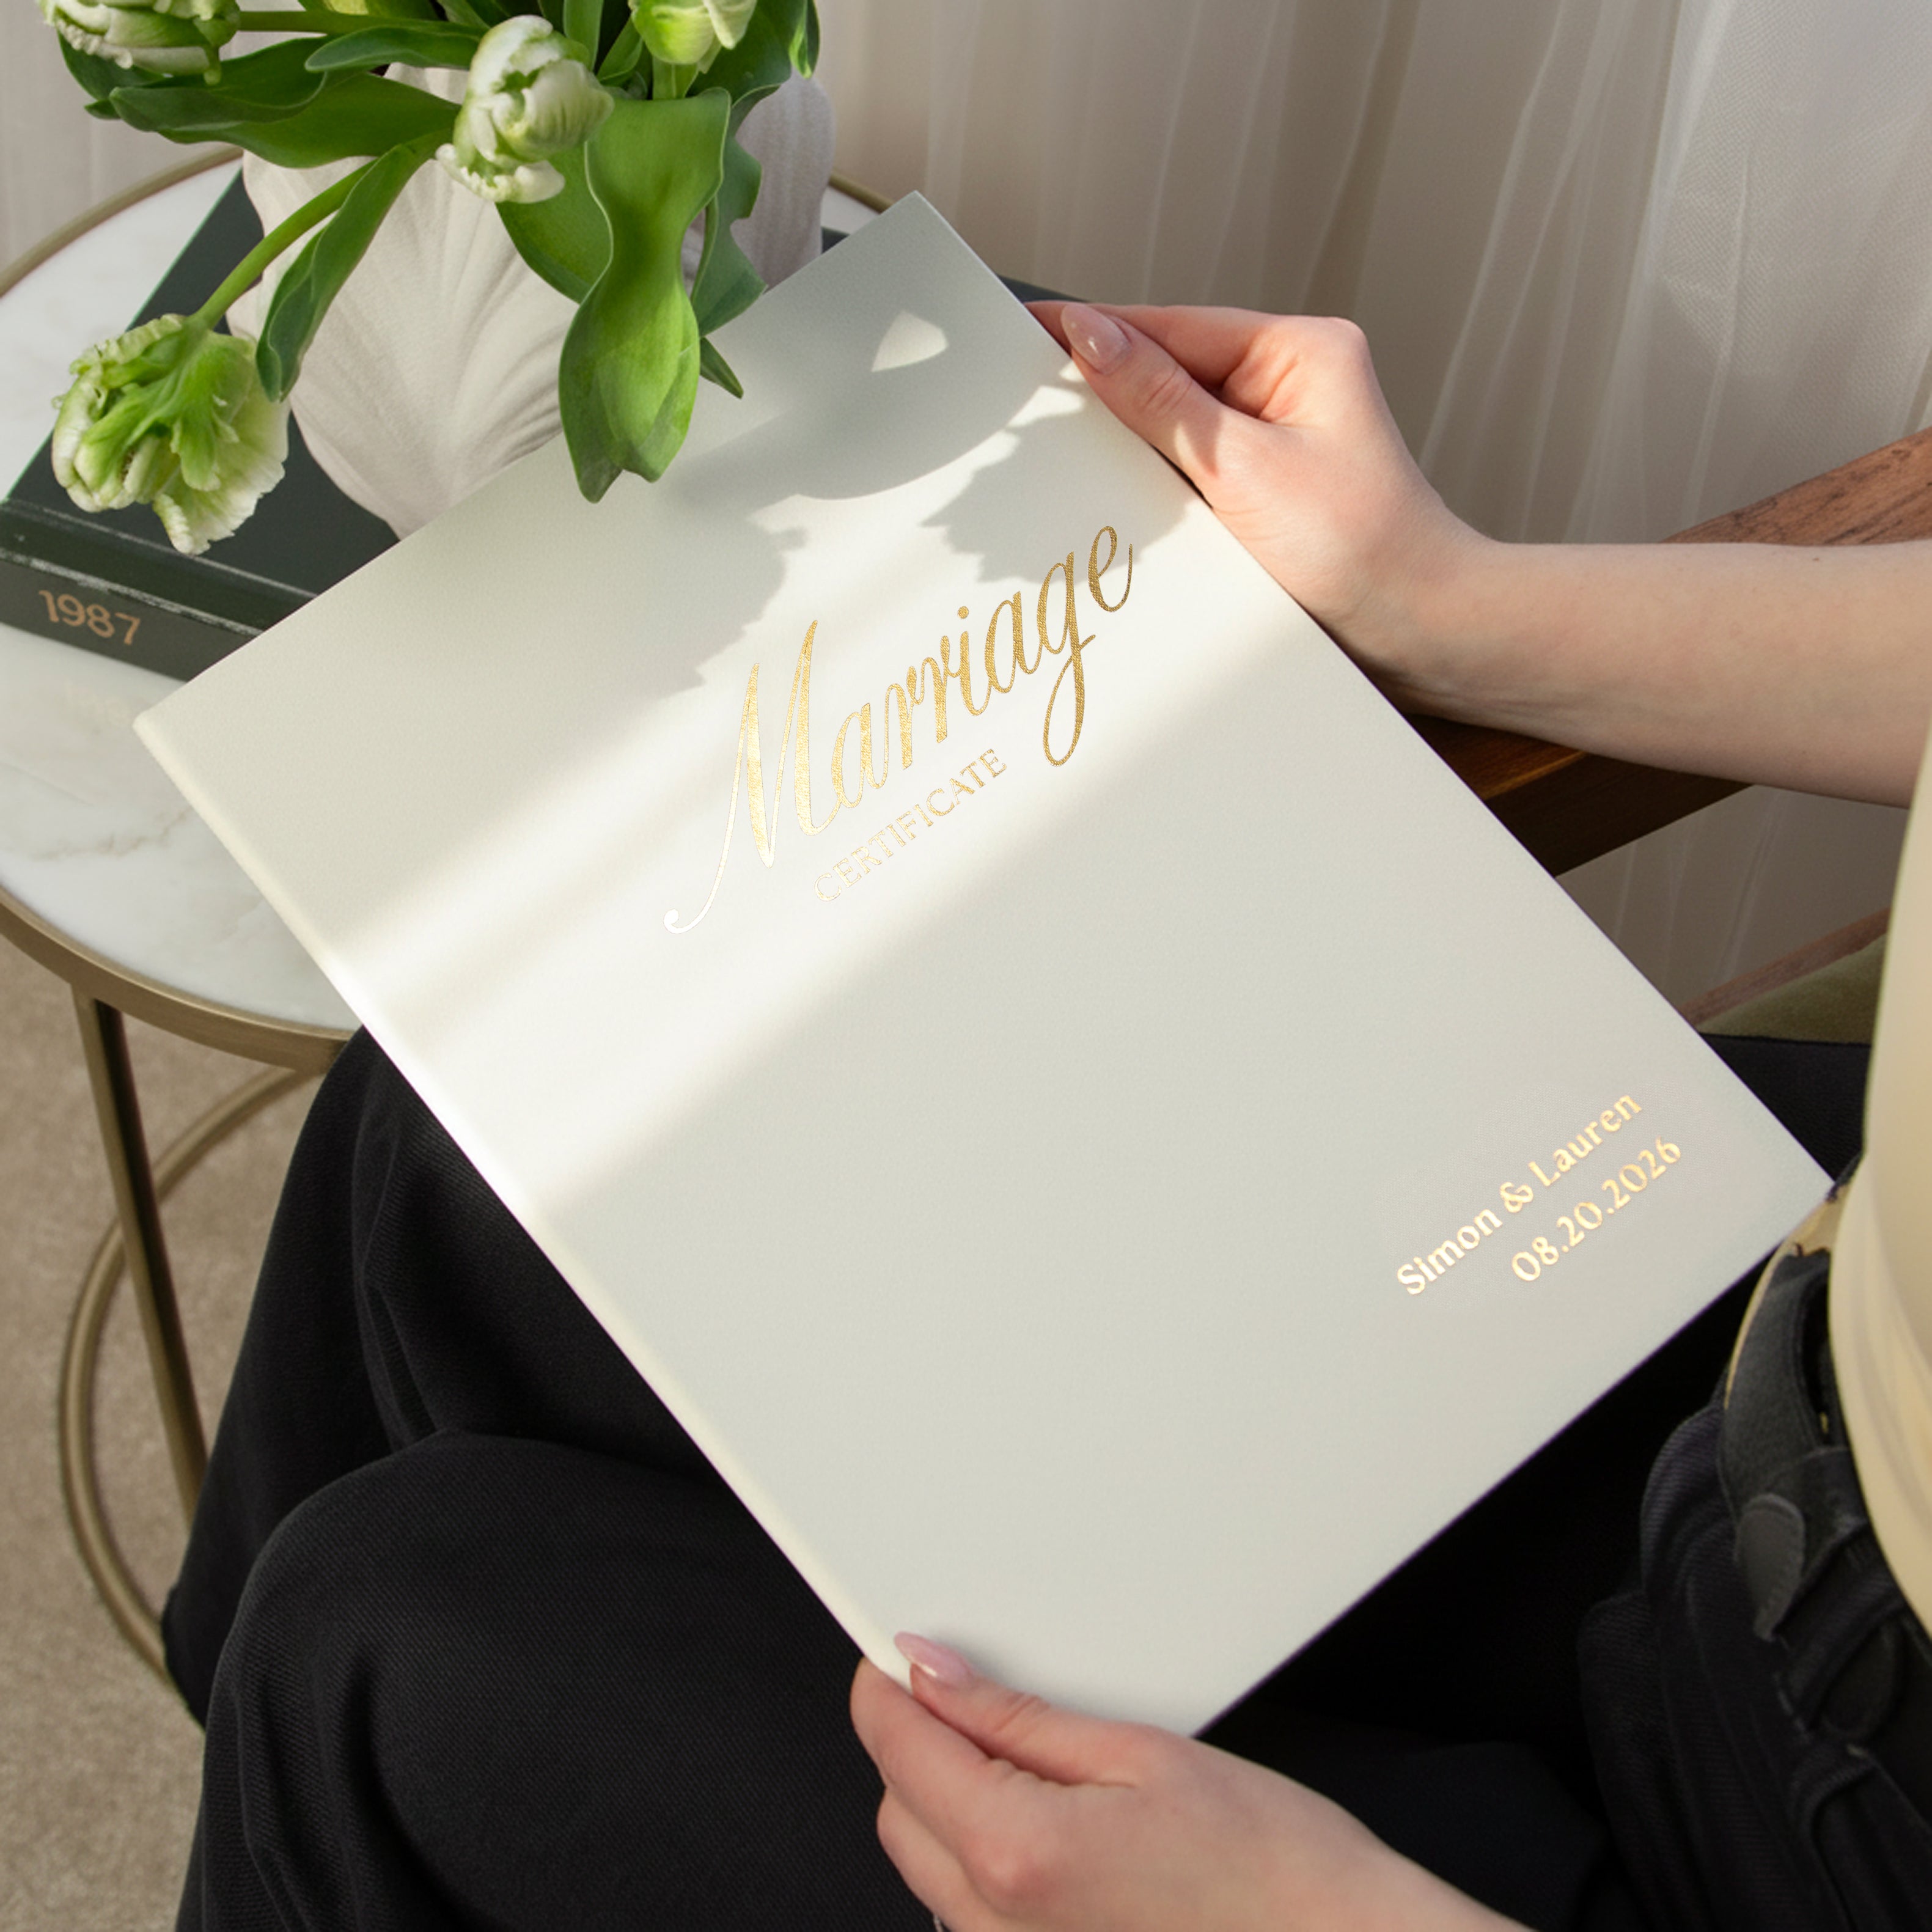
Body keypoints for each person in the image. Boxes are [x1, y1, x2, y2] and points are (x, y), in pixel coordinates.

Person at [166, 300, 1932, 1931]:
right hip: (1778, 1320)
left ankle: (296, 1811)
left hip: (1766, 1851)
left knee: (363, 1661)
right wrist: (1443, 601)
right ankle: (261, 1798)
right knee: (454, 1126)